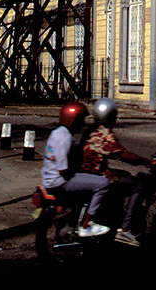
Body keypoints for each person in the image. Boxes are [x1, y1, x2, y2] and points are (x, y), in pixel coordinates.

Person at [81, 97, 156, 247]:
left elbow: (116, 151)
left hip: (90, 174)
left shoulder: (92, 130)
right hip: (97, 177)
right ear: (110, 116)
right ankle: (124, 229)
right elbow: (124, 155)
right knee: (139, 184)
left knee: (126, 176)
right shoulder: (104, 133)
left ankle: (115, 217)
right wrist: (148, 161)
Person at [42, 100, 111, 238]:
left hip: (50, 179)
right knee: (103, 184)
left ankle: (80, 216)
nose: (83, 123)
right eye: (81, 120)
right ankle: (87, 225)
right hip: (60, 181)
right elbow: (63, 170)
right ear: (72, 120)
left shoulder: (57, 132)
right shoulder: (64, 138)